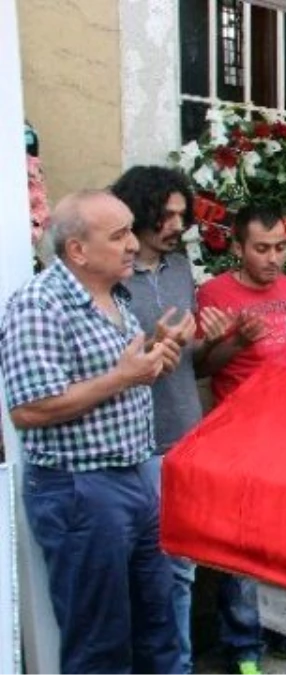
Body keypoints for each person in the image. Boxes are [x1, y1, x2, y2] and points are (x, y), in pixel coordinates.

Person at [0, 190, 185, 673]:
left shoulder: (115, 295)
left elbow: (114, 380)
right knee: (100, 644)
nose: (132, 244)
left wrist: (154, 358)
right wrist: (124, 376)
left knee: (157, 627)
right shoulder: (39, 305)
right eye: (119, 235)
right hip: (80, 489)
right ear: (77, 250)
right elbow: (30, 409)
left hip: (134, 477)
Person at [195, 204, 286, 674]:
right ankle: (243, 647)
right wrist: (235, 341)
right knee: (243, 546)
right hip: (238, 437)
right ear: (237, 248)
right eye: (262, 248)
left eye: (280, 248)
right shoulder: (215, 292)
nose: (273, 258)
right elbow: (201, 367)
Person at [112, 165, 232, 673]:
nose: (175, 225)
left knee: (180, 571)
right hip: (132, 442)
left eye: (182, 215)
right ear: (137, 211)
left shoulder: (181, 269)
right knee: (134, 573)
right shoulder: (111, 276)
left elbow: (194, 363)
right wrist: (159, 345)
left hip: (182, 435)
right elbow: (110, 363)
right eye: (166, 215)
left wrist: (228, 341)